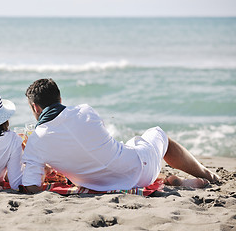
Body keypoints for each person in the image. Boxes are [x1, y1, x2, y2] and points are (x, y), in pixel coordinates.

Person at [21, 78, 220, 193]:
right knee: (158, 135)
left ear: (34, 107)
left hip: (98, 185)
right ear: (60, 98)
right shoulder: (85, 111)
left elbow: (31, 186)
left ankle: (173, 180)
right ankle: (207, 175)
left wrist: (44, 167)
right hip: (139, 170)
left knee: (132, 145)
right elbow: (92, 146)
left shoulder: (36, 141)